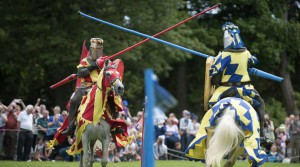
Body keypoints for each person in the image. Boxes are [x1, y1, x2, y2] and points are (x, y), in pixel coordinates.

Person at [208, 22, 269, 144]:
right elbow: (254, 61)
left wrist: (215, 59)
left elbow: (213, 72)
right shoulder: (246, 53)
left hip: (226, 89)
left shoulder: (224, 55)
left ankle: (210, 129)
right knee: (260, 104)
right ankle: (262, 135)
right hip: (245, 88)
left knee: (212, 104)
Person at [62, 37, 107, 135]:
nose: (98, 51)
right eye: (96, 49)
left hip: (98, 87)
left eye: (99, 49)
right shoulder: (85, 61)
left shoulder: (104, 60)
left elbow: (111, 72)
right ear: (91, 49)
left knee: (114, 98)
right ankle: (70, 126)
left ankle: (116, 124)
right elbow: (80, 73)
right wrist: (93, 66)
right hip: (85, 87)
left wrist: (106, 64)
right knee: (74, 100)